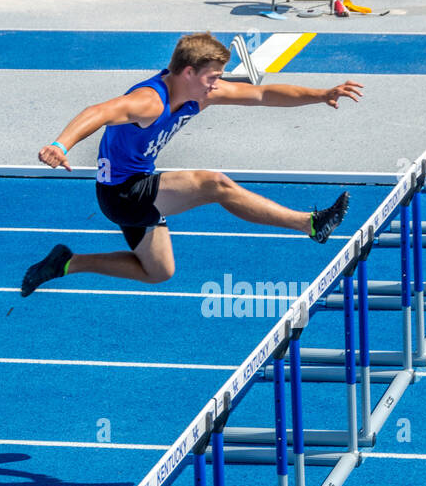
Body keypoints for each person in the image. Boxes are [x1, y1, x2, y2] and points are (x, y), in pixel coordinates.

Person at [20, 33, 362, 297]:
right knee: (214, 184)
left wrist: (320, 94)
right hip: (122, 193)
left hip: (140, 185)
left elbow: (262, 95)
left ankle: (67, 262)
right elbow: (98, 112)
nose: (218, 84)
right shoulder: (150, 101)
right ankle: (311, 225)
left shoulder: (200, 94)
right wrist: (59, 144)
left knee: (158, 271)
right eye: (213, 76)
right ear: (188, 72)